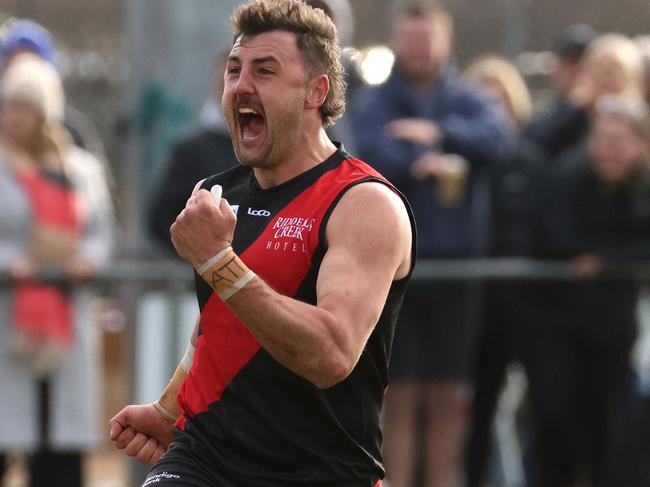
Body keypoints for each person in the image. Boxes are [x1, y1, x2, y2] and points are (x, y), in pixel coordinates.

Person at [110, 1, 415, 486]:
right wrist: (169, 410)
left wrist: (219, 262)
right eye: (234, 70)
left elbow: (331, 355)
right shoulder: (217, 191)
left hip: (321, 470)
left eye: (265, 71)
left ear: (317, 91)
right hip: (204, 456)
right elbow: (214, 327)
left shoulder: (363, 203)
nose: (241, 85)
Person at [349, 2, 512, 486]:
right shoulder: (377, 99)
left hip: (459, 271)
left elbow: (498, 137)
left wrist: (437, 134)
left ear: (447, 42)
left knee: (447, 395)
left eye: (428, 39)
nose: (419, 49)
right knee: (399, 394)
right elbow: (369, 149)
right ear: (398, 43)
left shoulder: (468, 97)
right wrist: (419, 160)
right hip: (398, 272)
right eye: (411, 39)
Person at [0, 54, 114, 487]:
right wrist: (9, 261)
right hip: (10, 315)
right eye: (8, 106)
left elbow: (100, 230)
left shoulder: (80, 171)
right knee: (8, 429)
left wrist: (87, 258)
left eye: (24, 107)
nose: (13, 117)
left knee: (59, 449)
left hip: (65, 320)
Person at [524, 95, 650, 487]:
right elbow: (553, 234)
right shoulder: (566, 176)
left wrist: (606, 261)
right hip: (556, 322)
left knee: (605, 421)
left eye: (620, 141)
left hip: (612, 325)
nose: (610, 150)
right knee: (554, 416)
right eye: (603, 139)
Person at [460, 55, 543, 487]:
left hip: (523, 306)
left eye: (501, 103)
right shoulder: (459, 164)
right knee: (473, 409)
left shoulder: (531, 163)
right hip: (470, 305)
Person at [149, 48, 239, 253]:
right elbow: (162, 220)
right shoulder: (191, 150)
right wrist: (205, 255)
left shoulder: (283, 151)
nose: (237, 91)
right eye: (227, 82)